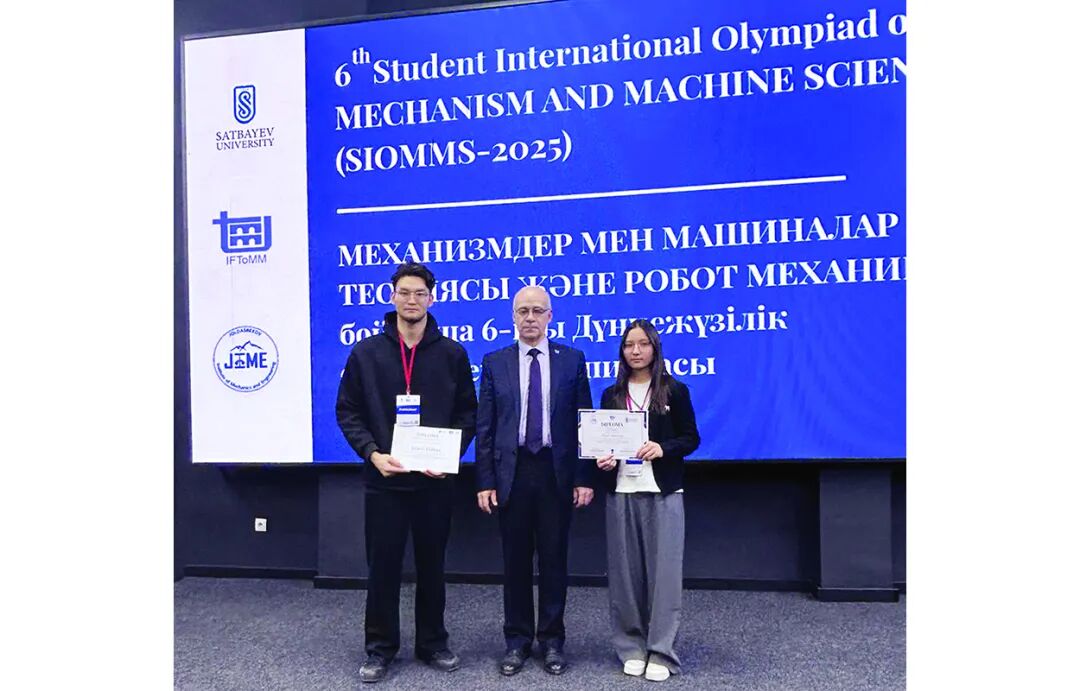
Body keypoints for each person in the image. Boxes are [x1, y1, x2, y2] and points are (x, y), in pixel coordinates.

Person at [336, 262, 478, 684]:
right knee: (383, 567)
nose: (412, 300)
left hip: (434, 481)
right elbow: (348, 411)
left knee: (433, 565)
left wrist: (449, 456)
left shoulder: (452, 354)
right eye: (404, 292)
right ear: (392, 296)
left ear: (431, 299)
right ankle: (380, 648)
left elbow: (468, 413)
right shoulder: (366, 353)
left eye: (420, 293)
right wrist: (372, 454)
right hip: (385, 480)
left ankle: (433, 643)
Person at [474, 285, 594, 677]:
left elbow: (584, 423)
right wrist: (485, 481)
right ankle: (517, 641)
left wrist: (584, 476)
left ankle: (553, 641)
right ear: (513, 316)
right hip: (512, 472)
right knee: (515, 562)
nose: (530, 318)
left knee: (555, 560)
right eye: (523, 311)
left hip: (555, 472)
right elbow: (485, 427)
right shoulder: (495, 362)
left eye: (537, 311)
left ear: (550, 316)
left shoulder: (572, 360)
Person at [595, 319, 700, 682]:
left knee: (664, 575)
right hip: (622, 490)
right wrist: (603, 460)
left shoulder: (674, 390)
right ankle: (631, 646)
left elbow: (691, 438)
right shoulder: (611, 394)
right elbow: (602, 441)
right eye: (629, 345)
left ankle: (661, 650)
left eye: (642, 344)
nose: (635, 351)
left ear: (655, 348)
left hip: (663, 490)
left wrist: (663, 448)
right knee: (625, 576)